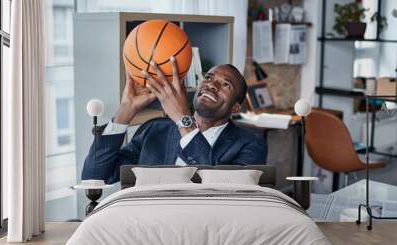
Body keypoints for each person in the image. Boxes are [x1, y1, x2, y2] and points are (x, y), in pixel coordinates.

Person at [82, 57, 267, 183]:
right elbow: (95, 177)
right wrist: (125, 111)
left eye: (226, 84)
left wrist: (183, 119)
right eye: (208, 77)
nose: (212, 84)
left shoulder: (250, 144)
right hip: (147, 228)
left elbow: (220, 191)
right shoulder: (153, 130)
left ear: (236, 107)